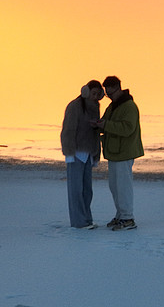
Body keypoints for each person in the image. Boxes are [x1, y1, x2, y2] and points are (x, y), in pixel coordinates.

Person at [95, 75, 144, 231]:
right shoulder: (113, 106)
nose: (108, 93)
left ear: (117, 87)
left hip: (124, 152)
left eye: (109, 89)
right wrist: (99, 125)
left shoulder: (129, 106)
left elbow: (127, 129)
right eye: (106, 90)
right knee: (115, 186)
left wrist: (106, 125)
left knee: (123, 187)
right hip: (114, 152)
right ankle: (121, 215)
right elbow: (106, 123)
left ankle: (128, 218)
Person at [60, 80, 104, 229]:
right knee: (75, 190)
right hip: (76, 153)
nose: (95, 96)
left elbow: (96, 133)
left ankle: (87, 219)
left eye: (98, 94)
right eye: (93, 93)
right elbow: (67, 131)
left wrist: (96, 155)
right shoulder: (75, 106)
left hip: (89, 155)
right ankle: (78, 222)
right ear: (86, 91)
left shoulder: (95, 107)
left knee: (87, 190)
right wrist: (69, 153)